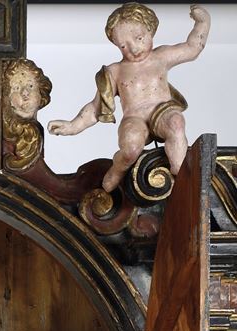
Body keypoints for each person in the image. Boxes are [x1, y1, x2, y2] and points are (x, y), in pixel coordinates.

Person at [47, 3, 210, 193]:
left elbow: (193, 47)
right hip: (134, 118)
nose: (133, 48)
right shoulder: (115, 72)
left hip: (162, 111)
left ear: (150, 30)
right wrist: (71, 126)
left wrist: (203, 22)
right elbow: (95, 108)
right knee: (131, 149)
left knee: (176, 123)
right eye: (124, 45)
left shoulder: (161, 57)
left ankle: (180, 171)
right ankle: (118, 168)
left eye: (139, 38)